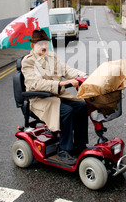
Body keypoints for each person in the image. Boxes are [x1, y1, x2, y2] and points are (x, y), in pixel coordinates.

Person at [21, 29, 89, 165]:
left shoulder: (52, 57)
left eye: (45, 43)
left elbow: (67, 70)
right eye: (39, 44)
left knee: (82, 106)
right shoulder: (28, 62)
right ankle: (64, 150)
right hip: (40, 99)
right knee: (66, 111)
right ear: (32, 46)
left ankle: (79, 145)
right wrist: (61, 83)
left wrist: (84, 76)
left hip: (56, 96)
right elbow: (36, 83)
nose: (44, 46)